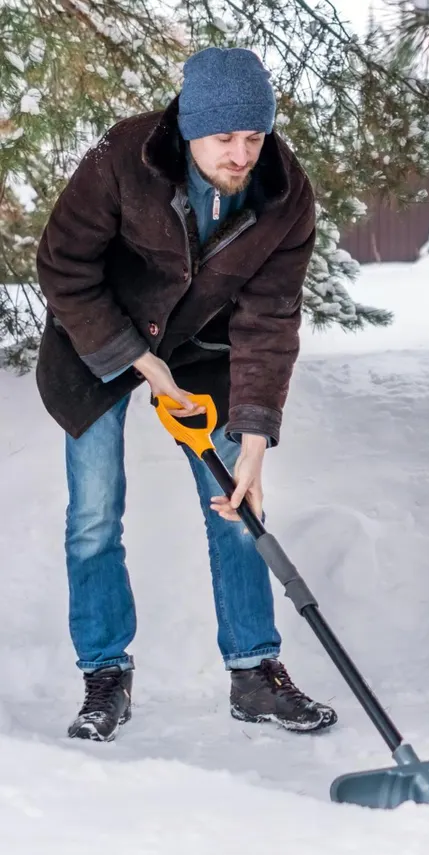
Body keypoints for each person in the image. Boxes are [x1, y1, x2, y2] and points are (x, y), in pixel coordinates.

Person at [34, 46, 337, 741]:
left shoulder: (283, 195)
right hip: (98, 336)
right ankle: (104, 675)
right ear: (190, 127)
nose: (241, 154)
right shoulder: (125, 157)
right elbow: (63, 265)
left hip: (203, 347)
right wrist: (138, 360)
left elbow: (270, 318)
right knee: (94, 513)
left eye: (254, 136)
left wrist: (254, 435)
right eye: (225, 137)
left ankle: (254, 673)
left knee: (238, 505)